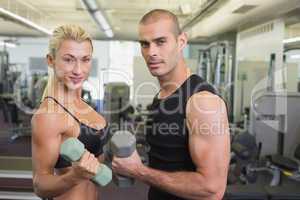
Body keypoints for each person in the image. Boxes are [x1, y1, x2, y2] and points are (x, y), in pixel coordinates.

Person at [112, 9, 230, 200]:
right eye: (145, 44)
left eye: (161, 42)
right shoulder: (161, 95)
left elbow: (212, 189)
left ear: (181, 42)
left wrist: (139, 171)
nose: (152, 52)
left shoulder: (202, 101)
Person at [31, 24, 109, 200]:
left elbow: (96, 164)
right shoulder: (49, 115)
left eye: (85, 59)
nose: (78, 70)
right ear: (51, 60)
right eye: (69, 59)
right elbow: (40, 185)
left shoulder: (84, 106)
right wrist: (75, 176)